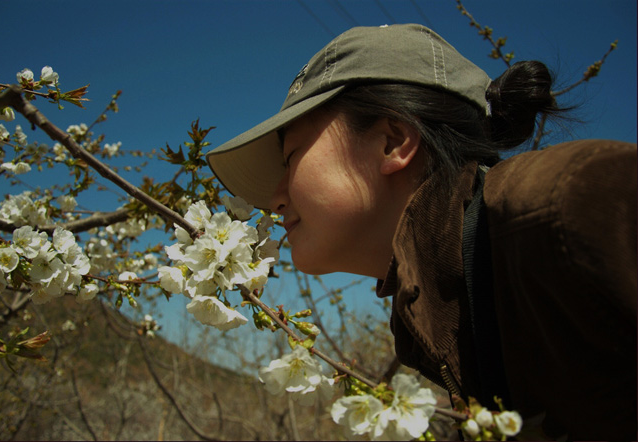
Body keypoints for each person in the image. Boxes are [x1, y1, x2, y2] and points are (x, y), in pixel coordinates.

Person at [206, 24, 637, 441]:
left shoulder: (570, 205)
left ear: (392, 142)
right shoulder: (432, 317)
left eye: (291, 157)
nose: (276, 200)